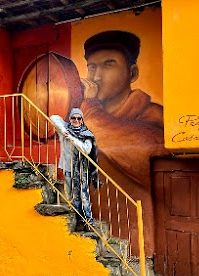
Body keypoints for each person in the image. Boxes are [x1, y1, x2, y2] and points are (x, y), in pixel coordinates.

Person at [79, 31, 168, 252]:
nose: (96, 77)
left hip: (134, 239)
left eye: (109, 65)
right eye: (91, 67)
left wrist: (89, 108)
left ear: (132, 72)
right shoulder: (81, 114)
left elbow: (145, 155)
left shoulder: (153, 116)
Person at [51, 108, 96, 231]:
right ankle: (79, 220)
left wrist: (71, 138)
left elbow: (86, 150)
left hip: (82, 169)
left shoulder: (87, 134)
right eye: (73, 118)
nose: (76, 120)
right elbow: (53, 117)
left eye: (78, 118)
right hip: (67, 167)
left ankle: (88, 221)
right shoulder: (63, 130)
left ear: (82, 120)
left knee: (83, 195)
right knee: (73, 195)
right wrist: (65, 130)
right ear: (70, 119)